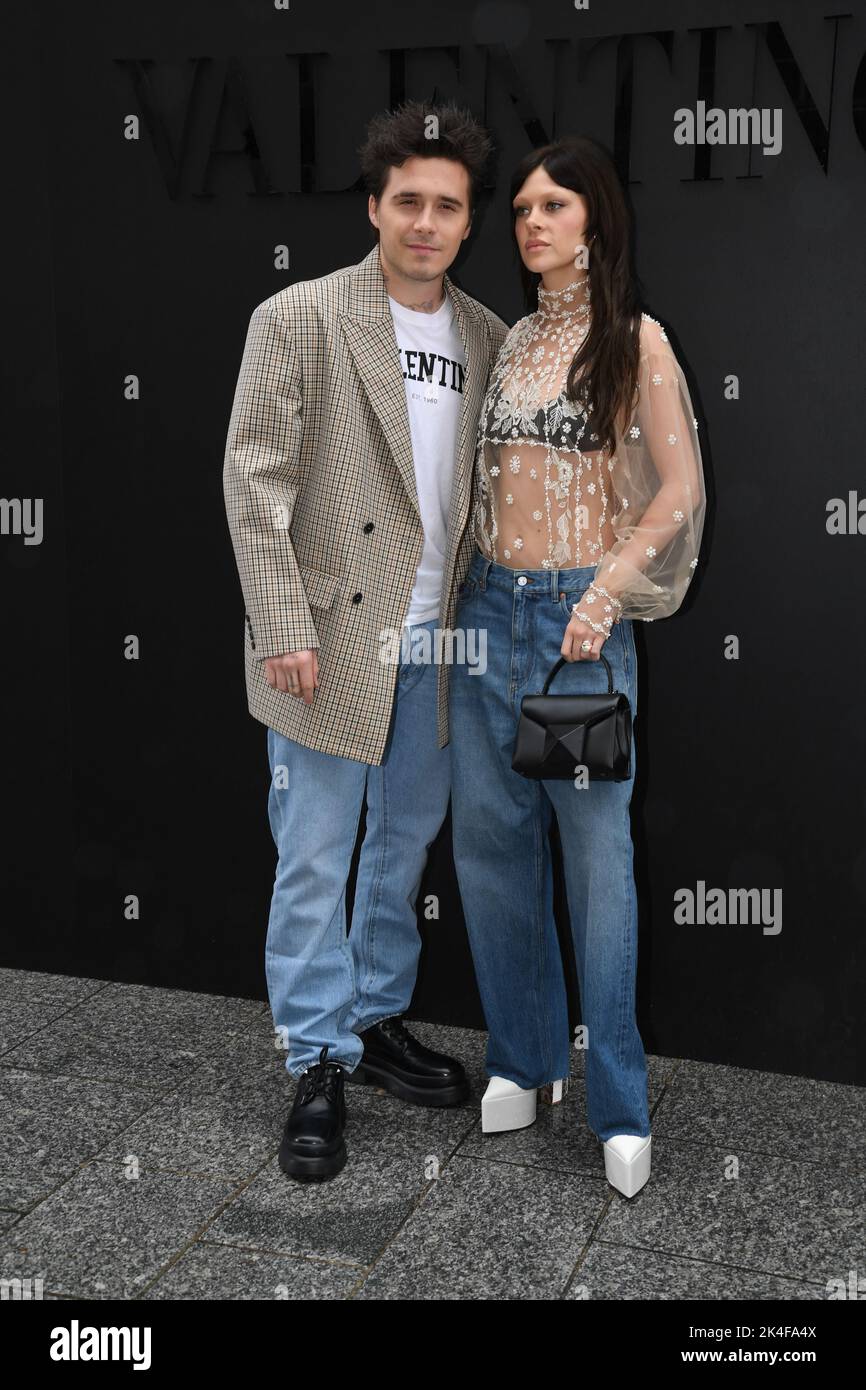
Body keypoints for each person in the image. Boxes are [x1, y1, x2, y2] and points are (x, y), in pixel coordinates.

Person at [222, 100, 508, 1182]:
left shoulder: (484, 334)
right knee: (313, 859)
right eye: (407, 202)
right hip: (327, 639)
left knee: (400, 848)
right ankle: (315, 1059)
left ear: (467, 219)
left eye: (445, 205)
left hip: (436, 643)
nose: (424, 222)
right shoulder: (298, 316)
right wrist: (280, 624)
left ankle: (377, 1019)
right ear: (374, 207)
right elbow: (253, 481)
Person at [448, 135, 707, 1198]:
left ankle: (616, 1100)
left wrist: (602, 593)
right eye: (518, 210)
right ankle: (520, 1057)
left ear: (594, 218)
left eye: (551, 205)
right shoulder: (508, 344)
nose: (529, 224)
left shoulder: (630, 339)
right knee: (491, 851)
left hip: (576, 628)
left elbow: (676, 488)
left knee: (597, 866)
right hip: (489, 614)